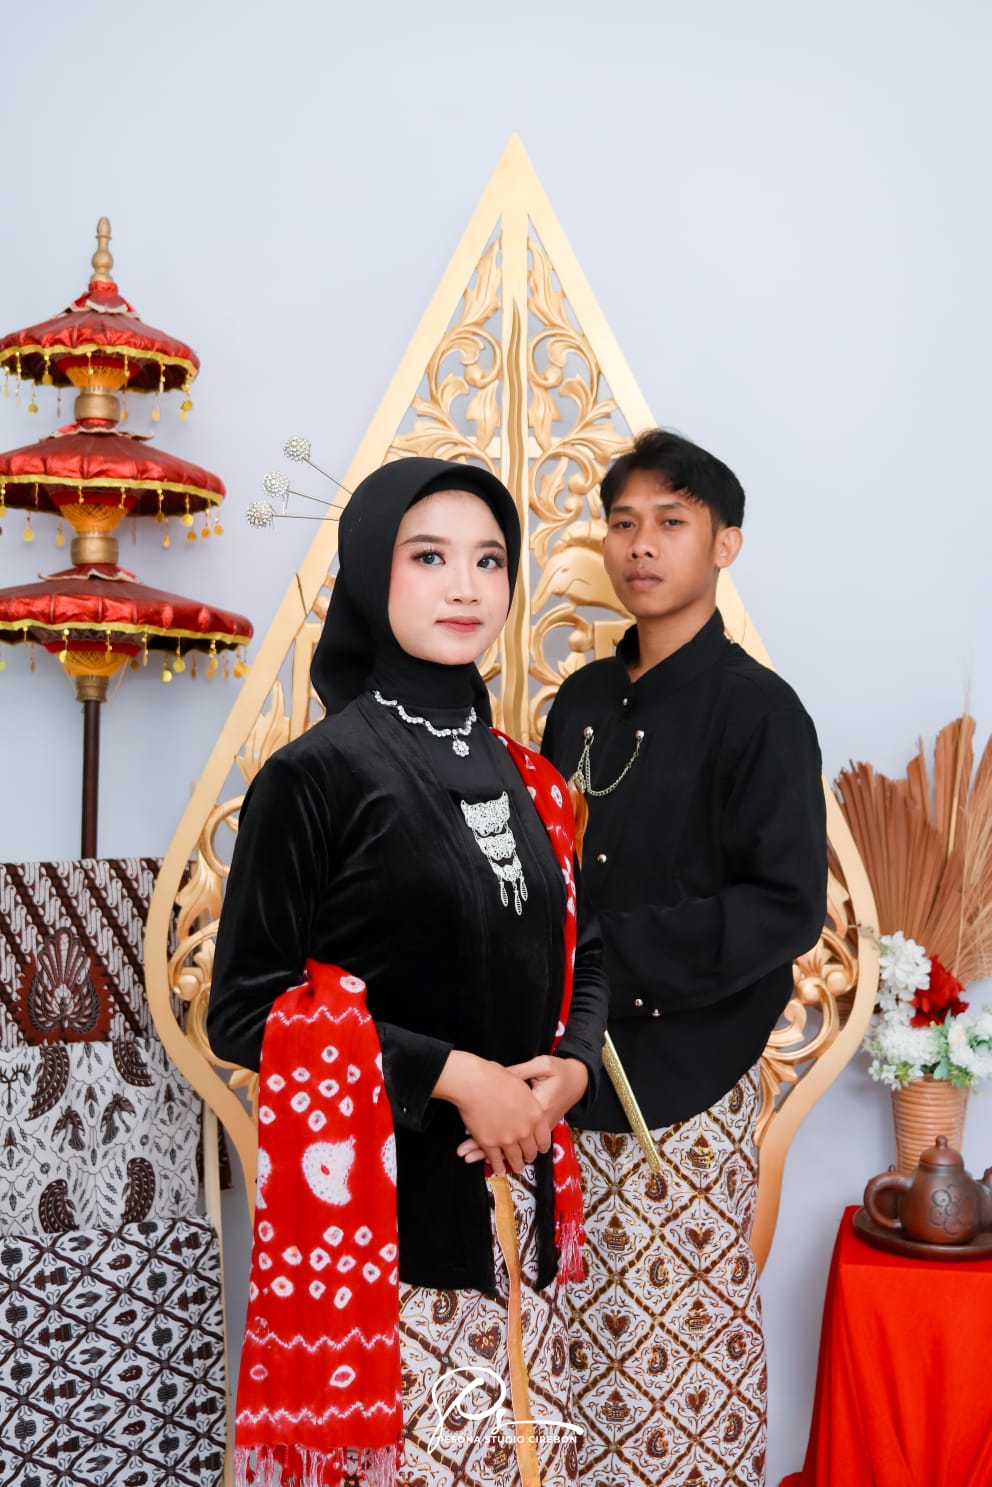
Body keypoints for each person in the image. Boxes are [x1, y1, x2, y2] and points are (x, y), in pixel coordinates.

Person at [207, 457, 608, 1487]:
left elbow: (587, 950)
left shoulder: (531, 778)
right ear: (369, 572)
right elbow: (244, 1009)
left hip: (524, 1221)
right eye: (429, 557)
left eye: (488, 559)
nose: (465, 585)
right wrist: (457, 1075)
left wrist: (567, 1071)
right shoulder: (316, 776)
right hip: (387, 1245)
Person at [540, 429, 827, 1487]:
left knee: (680, 1349)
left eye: (671, 521)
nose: (641, 544)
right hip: (566, 1073)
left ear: (724, 543)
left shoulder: (760, 711)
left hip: (689, 1079)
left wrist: (613, 950)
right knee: (570, 1339)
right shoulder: (577, 702)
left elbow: (784, 906)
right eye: (622, 523)